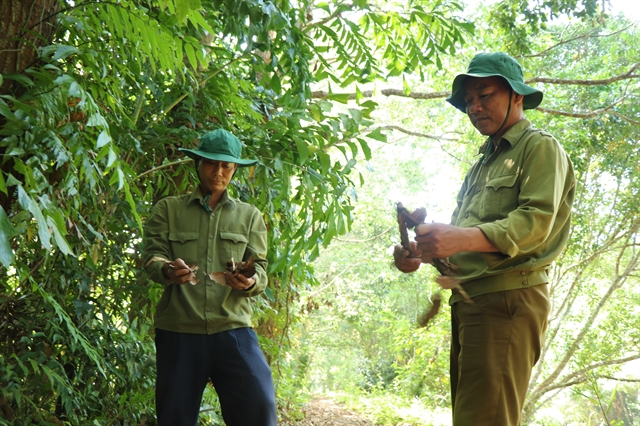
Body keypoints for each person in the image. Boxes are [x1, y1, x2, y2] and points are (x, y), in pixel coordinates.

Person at [394, 52, 575, 425]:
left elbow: (535, 223)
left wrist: (459, 239)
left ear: (517, 95)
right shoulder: (482, 165)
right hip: (471, 303)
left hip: (508, 301)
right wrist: (420, 252)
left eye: (485, 95)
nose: (474, 107)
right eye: (468, 101)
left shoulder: (539, 148)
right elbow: (466, 240)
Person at [143, 129, 277, 426]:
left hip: (233, 328)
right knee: (174, 417)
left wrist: (250, 282)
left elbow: (261, 268)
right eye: (211, 164)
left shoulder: (249, 216)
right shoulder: (168, 209)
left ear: (235, 169)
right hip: (179, 331)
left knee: (259, 406)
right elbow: (152, 258)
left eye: (226, 166)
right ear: (198, 163)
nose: (218, 172)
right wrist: (168, 270)